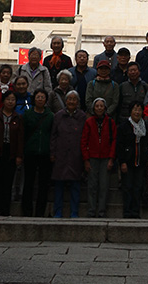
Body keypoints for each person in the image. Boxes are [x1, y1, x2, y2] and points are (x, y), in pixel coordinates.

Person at [0, 90, 23, 217]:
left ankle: (5, 210)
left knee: (8, 182)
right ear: (3, 101)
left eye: (13, 99)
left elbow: (20, 138)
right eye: (8, 99)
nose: (10, 102)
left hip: (11, 152)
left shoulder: (18, 117)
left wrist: (19, 155)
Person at [49, 90, 86, 219]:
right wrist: (52, 152)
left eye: (74, 99)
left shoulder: (82, 116)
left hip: (76, 154)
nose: (71, 101)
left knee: (75, 184)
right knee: (59, 184)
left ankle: (74, 212)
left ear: (78, 102)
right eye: (69, 99)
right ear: (65, 101)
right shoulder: (58, 115)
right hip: (60, 154)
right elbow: (53, 135)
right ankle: (57, 211)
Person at [81, 97, 117, 218]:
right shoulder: (89, 122)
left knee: (104, 186)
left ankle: (102, 211)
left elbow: (114, 141)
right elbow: (84, 141)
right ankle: (91, 211)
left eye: (101, 106)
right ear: (93, 108)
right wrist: (86, 159)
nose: (99, 108)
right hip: (92, 157)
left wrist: (111, 158)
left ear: (105, 108)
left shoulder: (110, 122)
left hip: (106, 157)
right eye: (97, 106)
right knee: (92, 185)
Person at [21, 89, 54, 217]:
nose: (40, 99)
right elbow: (23, 133)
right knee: (28, 182)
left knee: (43, 184)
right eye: (38, 97)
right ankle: (27, 211)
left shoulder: (50, 115)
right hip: (30, 151)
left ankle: (40, 211)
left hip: (45, 153)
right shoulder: (27, 114)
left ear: (46, 100)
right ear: (34, 99)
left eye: (42, 97)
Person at [117, 100, 148, 218]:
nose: (137, 112)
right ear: (130, 111)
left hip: (140, 162)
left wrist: (147, 157)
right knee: (127, 187)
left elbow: (147, 144)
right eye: (135, 109)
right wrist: (122, 162)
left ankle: (136, 212)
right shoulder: (124, 126)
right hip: (128, 162)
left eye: (139, 110)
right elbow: (119, 145)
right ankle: (127, 212)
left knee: (138, 187)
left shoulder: (145, 126)